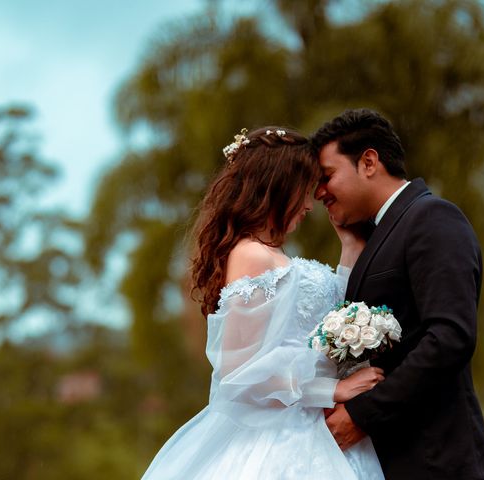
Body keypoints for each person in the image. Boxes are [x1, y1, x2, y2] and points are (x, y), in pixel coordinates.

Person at [141, 126, 386, 479]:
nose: (308, 205)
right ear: (278, 187)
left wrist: (349, 246)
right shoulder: (251, 255)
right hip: (283, 437)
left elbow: (330, 310)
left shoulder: (273, 253)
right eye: (303, 191)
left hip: (316, 426)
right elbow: (238, 372)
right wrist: (331, 388)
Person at [312, 109, 484, 480]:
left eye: (327, 176)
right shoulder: (379, 233)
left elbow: (450, 338)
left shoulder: (432, 218)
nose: (318, 193)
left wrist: (363, 415)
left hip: (437, 460)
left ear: (368, 162)